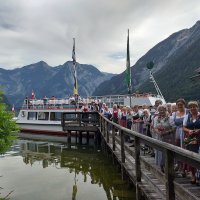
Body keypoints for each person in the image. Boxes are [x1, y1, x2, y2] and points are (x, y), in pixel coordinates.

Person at [152, 105, 174, 172]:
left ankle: (167, 165)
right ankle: (161, 165)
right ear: (158, 111)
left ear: (166, 110)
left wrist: (166, 132)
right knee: (160, 151)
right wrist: (159, 132)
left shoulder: (170, 118)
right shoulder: (156, 118)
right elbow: (154, 127)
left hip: (168, 137)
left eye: (163, 110)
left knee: (166, 152)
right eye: (160, 110)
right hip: (159, 136)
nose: (161, 111)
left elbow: (174, 128)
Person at [183, 101, 200, 185]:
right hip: (190, 139)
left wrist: (198, 130)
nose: (193, 108)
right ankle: (193, 176)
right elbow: (184, 127)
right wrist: (189, 131)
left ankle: (198, 176)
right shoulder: (187, 116)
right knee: (191, 157)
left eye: (194, 106)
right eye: (191, 107)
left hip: (199, 139)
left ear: (197, 107)